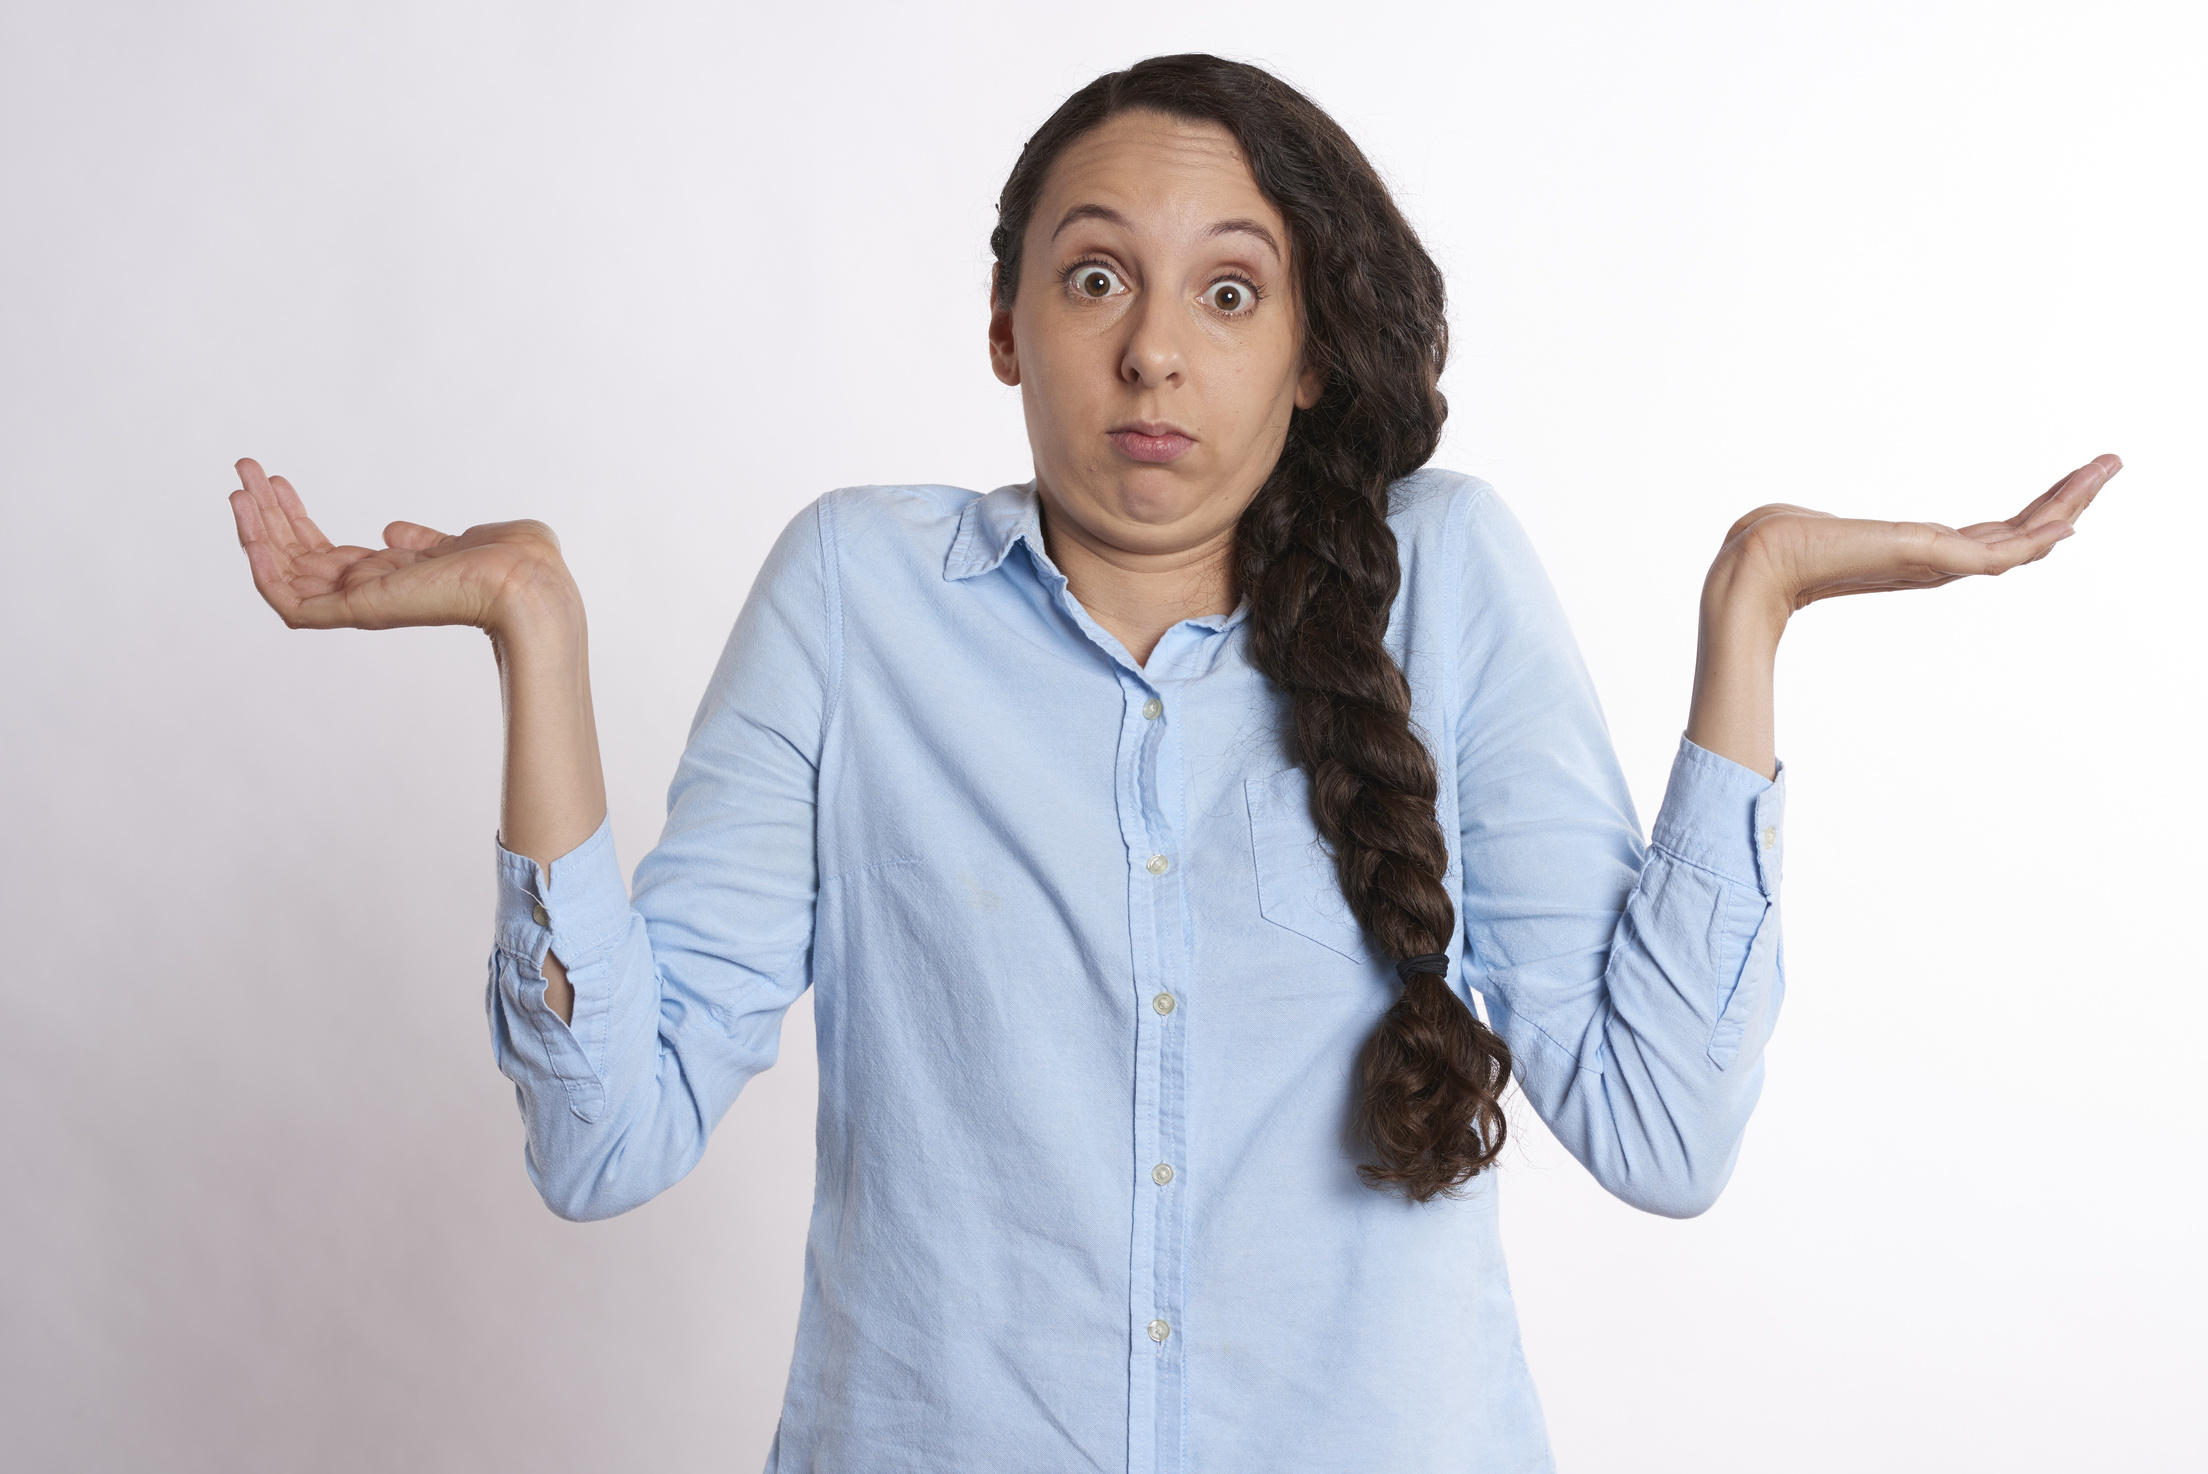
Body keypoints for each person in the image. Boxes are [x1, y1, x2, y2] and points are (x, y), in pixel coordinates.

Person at [226, 52, 2117, 1474]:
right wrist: (535, 638)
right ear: (1002, 327)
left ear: (1306, 353)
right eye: (1092, 279)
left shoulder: (1443, 576)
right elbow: (601, 1132)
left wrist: (1752, 610)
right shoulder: (855, 596)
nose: (1153, 355)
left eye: (1228, 290)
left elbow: (1664, 1129)